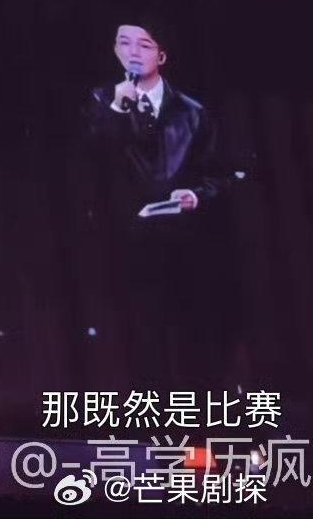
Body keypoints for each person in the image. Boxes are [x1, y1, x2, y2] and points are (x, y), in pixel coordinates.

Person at [81, 22, 235, 390]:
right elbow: (93, 162)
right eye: (124, 43)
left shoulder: (193, 112)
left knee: (192, 337)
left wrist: (195, 195)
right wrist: (117, 109)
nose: (133, 52)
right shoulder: (102, 101)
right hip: (126, 242)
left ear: (162, 55)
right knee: (141, 338)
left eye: (144, 45)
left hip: (184, 242)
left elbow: (220, 175)